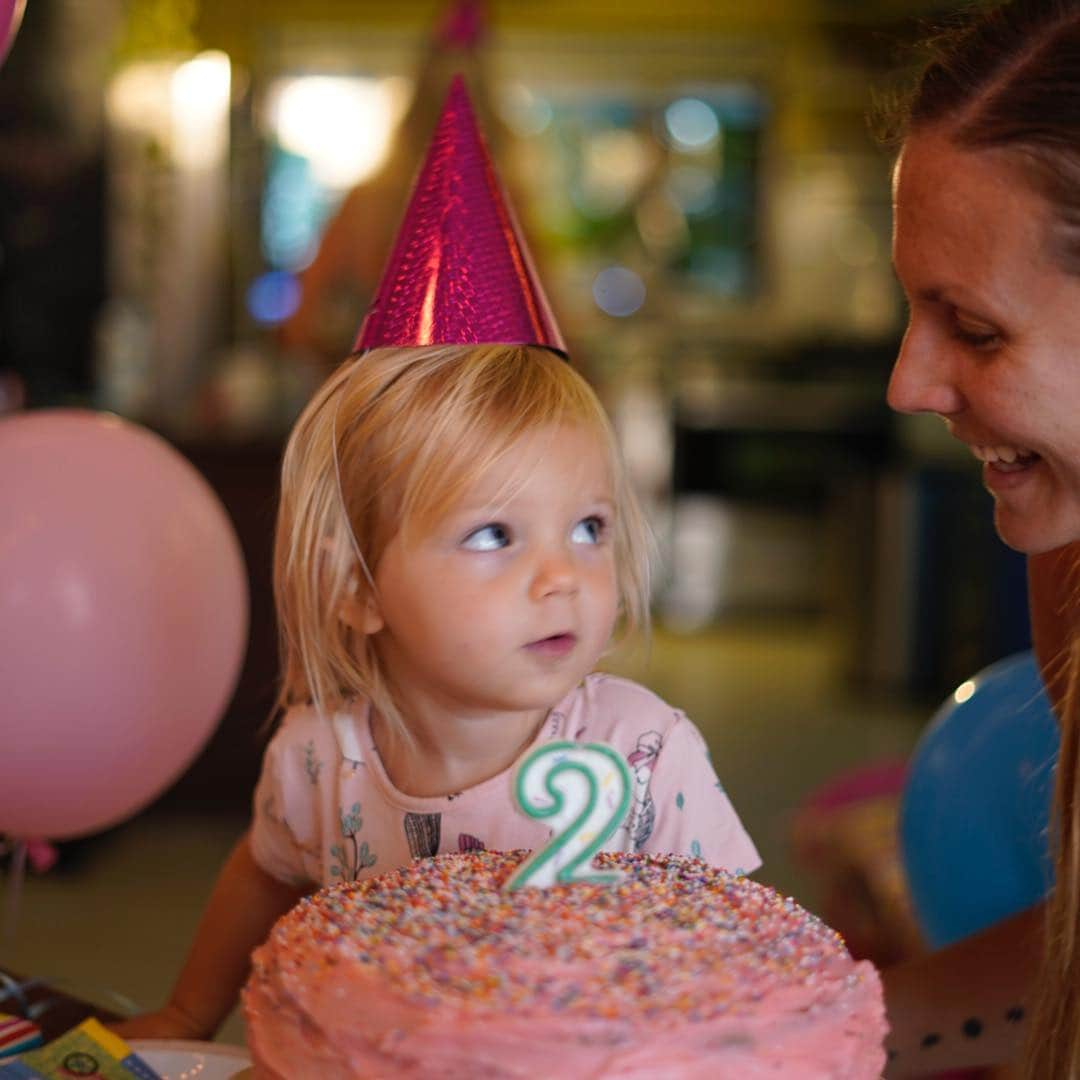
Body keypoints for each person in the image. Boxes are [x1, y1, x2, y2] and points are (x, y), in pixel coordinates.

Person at [111, 77, 759, 1043]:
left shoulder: (643, 753)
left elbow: (745, 946)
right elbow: (264, 871)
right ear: (357, 585)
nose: (561, 576)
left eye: (588, 527)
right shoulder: (318, 759)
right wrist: (189, 1012)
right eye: (495, 535)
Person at [879, 0, 1080, 1075]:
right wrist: (770, 1035)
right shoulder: (1068, 561)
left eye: (976, 328)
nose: (907, 383)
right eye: (912, 310)